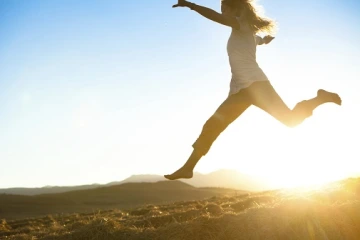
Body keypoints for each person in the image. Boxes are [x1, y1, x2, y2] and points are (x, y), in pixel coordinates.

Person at [164, 0, 342, 180]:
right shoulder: (245, 30)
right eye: (222, 9)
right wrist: (265, 40)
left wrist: (190, 5)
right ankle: (188, 168)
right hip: (241, 91)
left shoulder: (239, 24)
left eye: (224, 8)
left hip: (256, 85)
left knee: (290, 120)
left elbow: (215, 17)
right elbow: (257, 40)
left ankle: (320, 99)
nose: (222, 11)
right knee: (213, 125)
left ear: (234, 8)